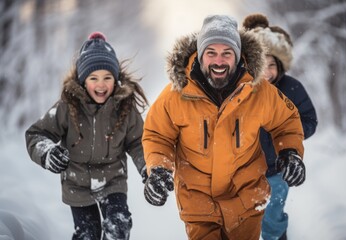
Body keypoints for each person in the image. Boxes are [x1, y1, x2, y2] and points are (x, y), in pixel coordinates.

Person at [142, 15, 306, 240]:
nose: (219, 61)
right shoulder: (176, 94)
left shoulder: (259, 91)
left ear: (237, 57)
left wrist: (290, 152)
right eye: (211, 53)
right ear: (200, 56)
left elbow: (287, 121)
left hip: (247, 201)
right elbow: (157, 135)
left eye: (226, 53)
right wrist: (159, 168)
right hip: (198, 206)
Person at [25, 32, 148, 240]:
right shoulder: (68, 106)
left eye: (107, 77)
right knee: (88, 235)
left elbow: (138, 142)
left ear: (116, 79)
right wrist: (47, 153)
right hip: (77, 185)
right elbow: (36, 134)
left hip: (112, 181)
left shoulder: (124, 107)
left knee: (118, 227)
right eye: (93, 78)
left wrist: (147, 166)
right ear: (83, 81)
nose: (101, 85)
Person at [242, 14, 318, 240]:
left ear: (280, 65)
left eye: (272, 66)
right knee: (247, 216)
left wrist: (285, 136)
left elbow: (309, 119)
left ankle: (276, 237)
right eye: (261, 65)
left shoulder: (291, 88)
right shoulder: (243, 90)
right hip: (245, 169)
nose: (266, 72)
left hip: (276, 167)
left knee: (273, 214)